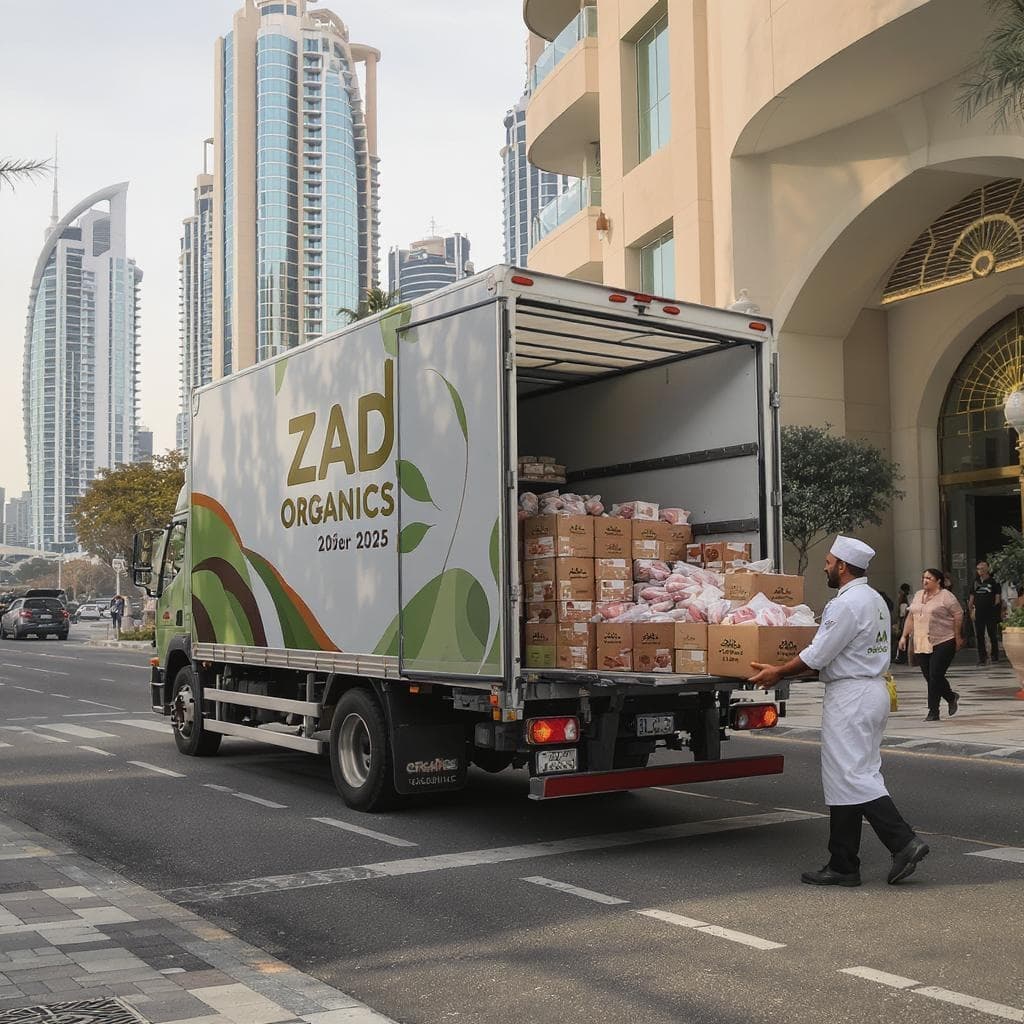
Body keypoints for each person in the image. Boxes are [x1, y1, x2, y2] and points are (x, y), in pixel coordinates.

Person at [748, 535, 929, 887]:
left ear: (843, 567)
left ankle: (903, 842)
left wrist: (778, 672)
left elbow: (819, 652)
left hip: (852, 696)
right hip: (870, 690)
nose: (825, 566)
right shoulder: (874, 599)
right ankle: (843, 863)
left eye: (829, 562)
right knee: (848, 773)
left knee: (853, 775)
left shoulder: (845, 604)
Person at [898, 568, 963, 721]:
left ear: (938, 581)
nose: (925, 581)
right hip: (921, 641)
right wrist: (904, 636)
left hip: (944, 640)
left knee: (935, 675)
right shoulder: (918, 595)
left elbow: (958, 614)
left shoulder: (946, 596)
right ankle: (950, 696)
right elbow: (911, 617)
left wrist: (958, 636)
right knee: (930, 676)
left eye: (929, 578)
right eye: (924, 578)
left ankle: (933, 711)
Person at [969, 561, 1001, 665]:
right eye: (978, 568)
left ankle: (994, 655)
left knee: (992, 634)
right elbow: (972, 597)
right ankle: (982, 657)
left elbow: (997, 597)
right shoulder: (975, 582)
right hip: (978, 612)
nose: (980, 570)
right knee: (979, 635)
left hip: (990, 612)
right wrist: (970, 609)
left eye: (982, 568)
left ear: (987, 569)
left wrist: (994, 608)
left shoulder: (993, 582)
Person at [893, 583, 912, 664]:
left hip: (903, 624)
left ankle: (901, 657)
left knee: (901, 640)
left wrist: (900, 624)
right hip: (905, 623)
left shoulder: (903, 602)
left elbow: (902, 615)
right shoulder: (910, 598)